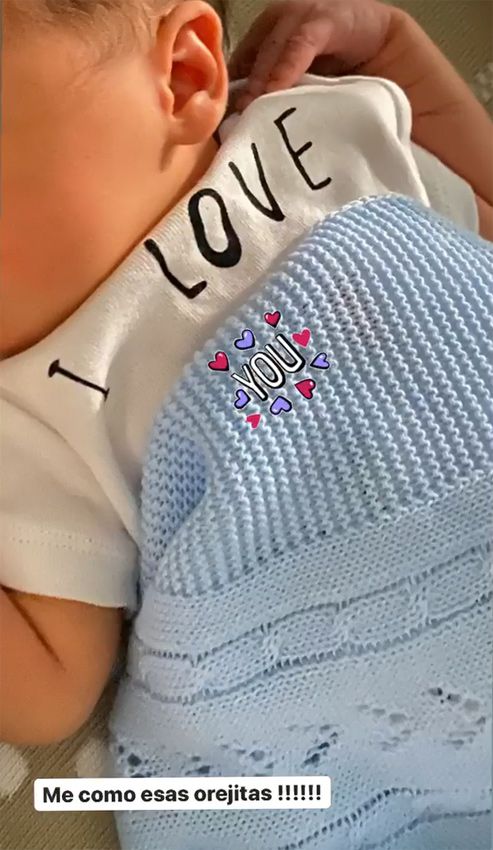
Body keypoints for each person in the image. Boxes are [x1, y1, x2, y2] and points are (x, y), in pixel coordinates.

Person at [1, 0, 491, 746]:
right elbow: (50, 692)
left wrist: (398, 51)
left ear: (184, 76)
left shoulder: (304, 132)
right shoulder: (33, 413)